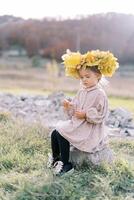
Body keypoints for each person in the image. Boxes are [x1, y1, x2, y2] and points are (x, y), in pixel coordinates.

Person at [47, 49, 119, 176]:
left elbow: (101, 115)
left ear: (98, 76)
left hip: (89, 129)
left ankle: (67, 165)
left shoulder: (100, 94)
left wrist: (86, 115)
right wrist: (69, 106)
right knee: (55, 132)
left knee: (62, 133)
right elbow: (75, 110)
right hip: (78, 124)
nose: (84, 80)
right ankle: (56, 159)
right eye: (82, 77)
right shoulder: (82, 91)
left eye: (87, 76)